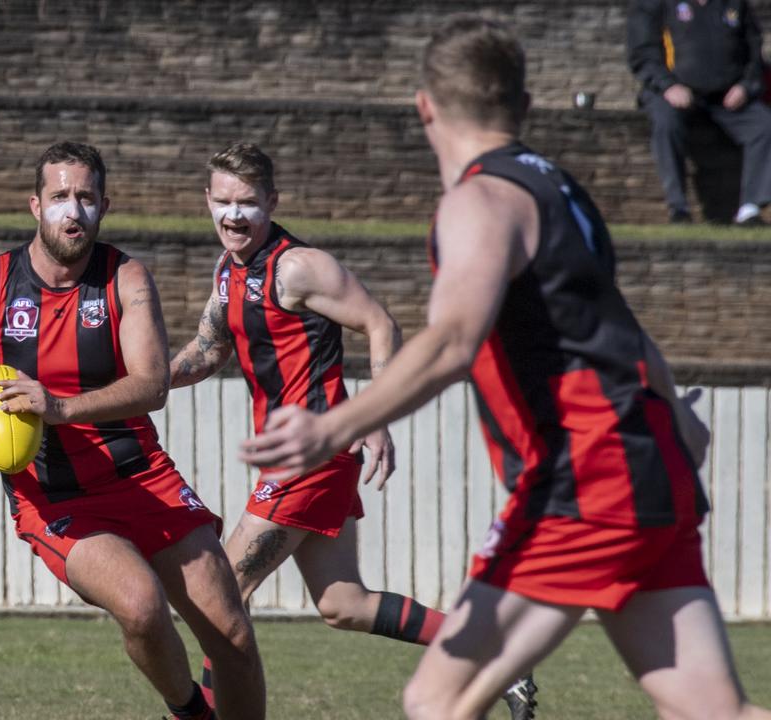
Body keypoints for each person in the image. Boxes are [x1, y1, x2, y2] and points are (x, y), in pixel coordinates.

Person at [241, 16, 771, 720]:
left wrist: (332, 427)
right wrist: (675, 420)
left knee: (438, 700)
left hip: (584, 480)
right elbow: (620, 327)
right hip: (649, 469)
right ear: (524, 109)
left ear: (424, 107)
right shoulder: (565, 193)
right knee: (713, 712)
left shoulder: (478, 200)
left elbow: (453, 337)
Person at [169, 142, 536, 720]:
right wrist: (144, 387)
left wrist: (377, 419)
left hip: (312, 455)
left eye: (248, 203)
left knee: (222, 592)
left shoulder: (298, 267)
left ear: (272, 202)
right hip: (297, 459)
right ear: (206, 202)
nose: (234, 215)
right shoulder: (228, 273)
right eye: (223, 202)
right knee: (344, 604)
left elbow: (379, 322)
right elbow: (209, 350)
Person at [0, 141, 265, 720]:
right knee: (140, 606)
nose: (72, 210)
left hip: (141, 475)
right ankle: (192, 713)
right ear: (35, 205)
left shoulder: (125, 278)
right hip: (53, 494)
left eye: (85, 198)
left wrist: (57, 407)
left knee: (231, 635)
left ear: (103, 206)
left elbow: (152, 384)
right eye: (60, 196)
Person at [628, 0, 771, 225]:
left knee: (764, 126)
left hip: (727, 96)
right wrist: (668, 86)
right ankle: (678, 208)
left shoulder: (734, 4)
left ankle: (750, 208)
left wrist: (745, 86)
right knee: (666, 123)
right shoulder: (656, 4)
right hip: (671, 92)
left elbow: (754, 53)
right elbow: (643, 54)